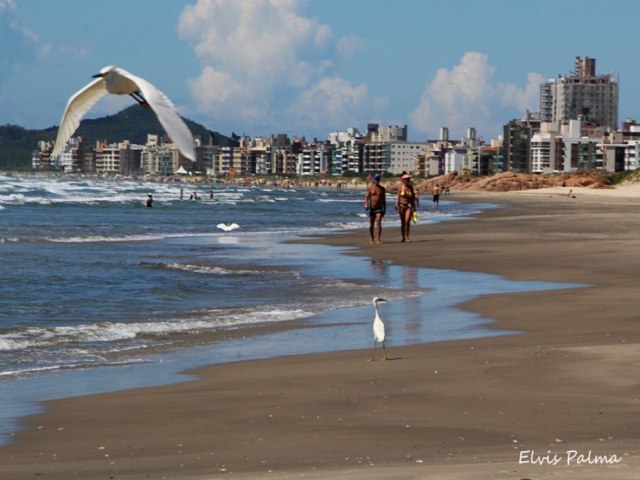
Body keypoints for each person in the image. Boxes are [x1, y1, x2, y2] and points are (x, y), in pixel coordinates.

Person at [364, 173, 386, 244]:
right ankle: (371, 237)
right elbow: (366, 197)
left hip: (379, 208)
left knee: (379, 222)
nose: (377, 180)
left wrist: (384, 210)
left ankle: (378, 239)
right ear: (374, 179)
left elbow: (384, 200)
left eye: (378, 179)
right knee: (371, 224)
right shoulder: (370, 188)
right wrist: (366, 204)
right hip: (372, 208)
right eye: (376, 179)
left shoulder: (382, 189)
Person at [396, 173, 418, 242]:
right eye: (407, 179)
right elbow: (398, 197)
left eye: (409, 179)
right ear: (403, 179)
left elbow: (413, 197)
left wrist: (414, 207)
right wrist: (396, 204)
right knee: (403, 222)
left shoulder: (410, 187)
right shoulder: (400, 187)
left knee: (407, 221)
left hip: (408, 206)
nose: (409, 180)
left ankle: (407, 236)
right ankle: (403, 237)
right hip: (401, 206)